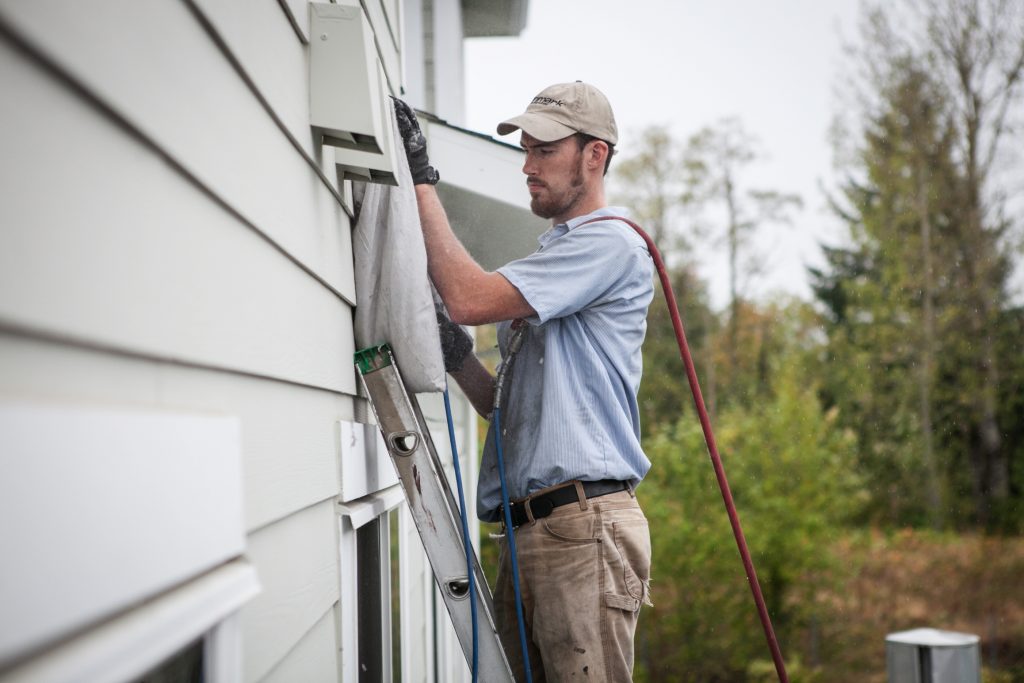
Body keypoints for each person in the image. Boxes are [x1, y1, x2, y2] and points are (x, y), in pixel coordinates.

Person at [394, 82, 654, 682]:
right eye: (526, 151)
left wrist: (420, 178)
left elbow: (467, 297)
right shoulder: (556, 256)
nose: (528, 167)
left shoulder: (608, 245)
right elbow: (503, 407)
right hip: (537, 531)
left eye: (545, 152)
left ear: (595, 156)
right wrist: (457, 355)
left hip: (582, 531)